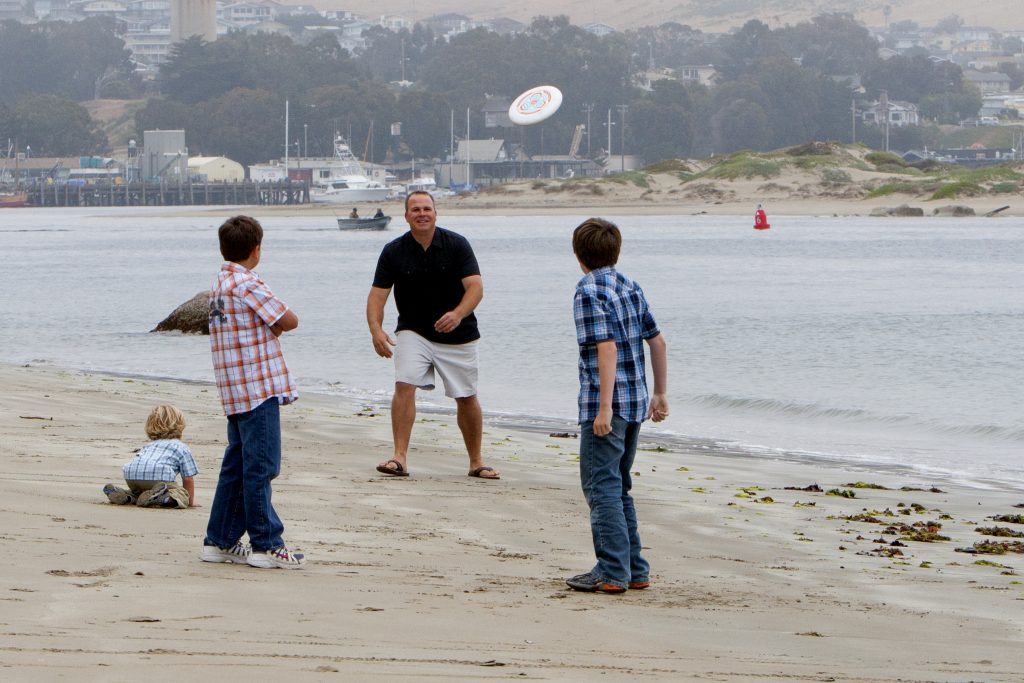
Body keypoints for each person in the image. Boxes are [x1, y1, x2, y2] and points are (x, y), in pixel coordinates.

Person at [566, 217, 668, 594]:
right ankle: (634, 567)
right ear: (616, 250)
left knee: (601, 486)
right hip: (637, 400)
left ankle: (612, 570)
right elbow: (656, 341)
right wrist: (660, 393)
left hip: (606, 404)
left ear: (579, 255)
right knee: (618, 484)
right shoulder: (629, 285)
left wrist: (603, 409)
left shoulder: (588, 290)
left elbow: (605, 348)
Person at [366, 190, 499, 480]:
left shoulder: (457, 245)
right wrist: (376, 330)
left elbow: (475, 288)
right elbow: (377, 296)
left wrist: (458, 313)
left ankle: (476, 461)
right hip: (413, 331)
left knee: (466, 396)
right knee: (404, 383)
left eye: (427, 208)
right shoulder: (393, 251)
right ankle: (399, 457)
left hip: (459, 333)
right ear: (406, 216)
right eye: (415, 209)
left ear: (436, 214)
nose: (422, 213)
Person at [200, 215, 306, 569]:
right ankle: (266, 543)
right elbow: (289, 320)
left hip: (233, 388)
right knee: (261, 467)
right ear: (256, 250)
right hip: (258, 387)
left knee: (237, 466)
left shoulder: (220, 284)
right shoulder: (248, 283)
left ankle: (220, 539)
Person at [102, 405, 198, 508]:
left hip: (131, 474)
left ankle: (124, 495)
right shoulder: (181, 447)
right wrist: (189, 501)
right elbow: (188, 479)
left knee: (140, 493)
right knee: (180, 494)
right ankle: (163, 498)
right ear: (180, 426)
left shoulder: (148, 446)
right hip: (158, 476)